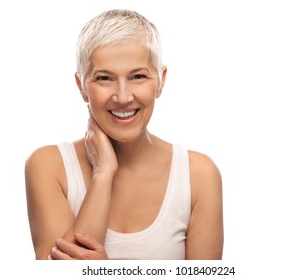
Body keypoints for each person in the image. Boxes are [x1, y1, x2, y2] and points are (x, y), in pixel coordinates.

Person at [25, 9, 223, 260]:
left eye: (138, 76)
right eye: (104, 78)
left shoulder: (199, 175)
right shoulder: (49, 165)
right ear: (81, 87)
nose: (122, 97)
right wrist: (103, 173)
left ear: (160, 81)